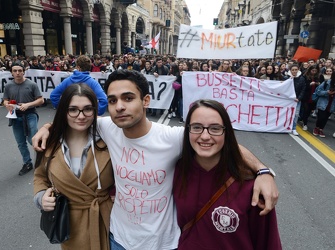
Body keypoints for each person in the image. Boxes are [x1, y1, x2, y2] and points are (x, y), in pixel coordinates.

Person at [32, 70, 279, 250]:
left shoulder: (171, 138)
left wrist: (263, 171)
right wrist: (49, 127)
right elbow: (76, 118)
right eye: (114, 100)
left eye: (128, 98)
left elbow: (223, 142)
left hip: (162, 243)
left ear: (146, 101)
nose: (119, 107)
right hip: (117, 238)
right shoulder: (106, 127)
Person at [173, 99, 282, 250]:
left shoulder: (253, 188)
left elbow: (268, 243)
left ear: (226, 133)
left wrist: (264, 172)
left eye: (215, 129)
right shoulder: (176, 171)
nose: (205, 136)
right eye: (197, 127)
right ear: (188, 130)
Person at [34, 84, 113, 249]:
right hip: (70, 226)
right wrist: (41, 197)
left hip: (107, 222)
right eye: (73, 109)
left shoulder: (109, 138)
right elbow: (40, 176)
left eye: (87, 109)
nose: (81, 116)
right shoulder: (49, 142)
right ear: (64, 111)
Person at [3, 61, 44, 175]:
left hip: (30, 114)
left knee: (33, 139)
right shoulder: (8, 85)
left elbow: (41, 100)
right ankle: (27, 163)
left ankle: (43, 160)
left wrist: (27, 105)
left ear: (23, 71)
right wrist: (7, 105)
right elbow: (5, 100)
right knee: (21, 142)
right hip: (15, 116)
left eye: (20, 71)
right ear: (11, 73)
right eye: (15, 71)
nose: (17, 73)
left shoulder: (31, 84)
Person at [312, 71, 335, 137]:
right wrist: (327, 92)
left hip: (332, 104)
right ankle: (317, 128)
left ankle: (321, 129)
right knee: (321, 117)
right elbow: (318, 91)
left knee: (326, 118)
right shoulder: (327, 82)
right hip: (323, 102)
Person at [287, 64, 306, 136]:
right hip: (288, 100)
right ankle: (286, 127)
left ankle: (294, 128)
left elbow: (303, 89)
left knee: (296, 114)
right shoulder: (287, 77)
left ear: (298, 70)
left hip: (297, 100)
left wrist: (299, 98)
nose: (294, 71)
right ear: (290, 70)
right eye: (293, 70)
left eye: (296, 70)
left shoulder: (301, 78)